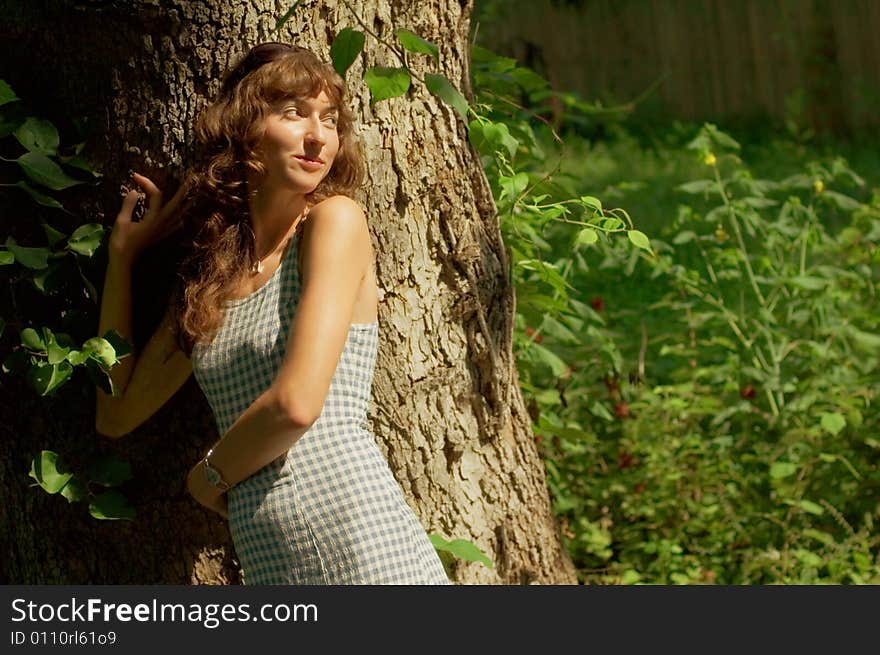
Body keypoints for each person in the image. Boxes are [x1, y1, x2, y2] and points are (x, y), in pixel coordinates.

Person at [95, 42, 451, 585]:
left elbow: (296, 404)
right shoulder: (211, 282)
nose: (318, 137)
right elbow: (115, 413)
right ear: (244, 128)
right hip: (273, 563)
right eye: (294, 114)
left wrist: (209, 478)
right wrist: (123, 260)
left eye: (329, 120)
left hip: (363, 544)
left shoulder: (333, 223)